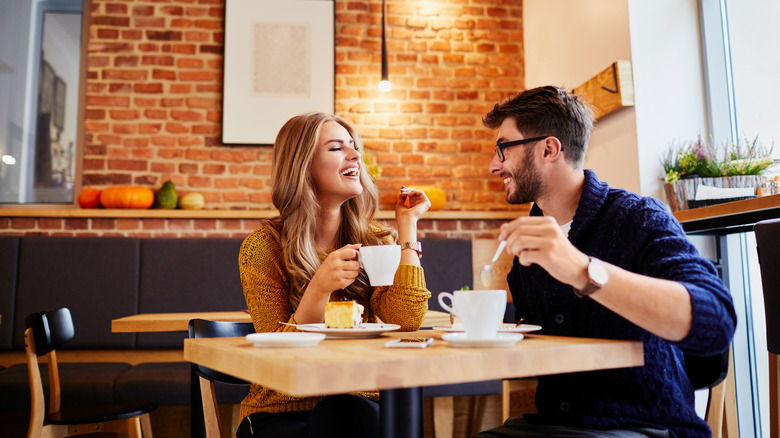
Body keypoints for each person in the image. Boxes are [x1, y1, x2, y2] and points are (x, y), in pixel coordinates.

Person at [476, 86, 736, 438]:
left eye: (503, 148)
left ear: (548, 149)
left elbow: (717, 321)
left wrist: (583, 271)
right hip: (557, 427)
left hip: (646, 426)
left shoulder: (637, 218)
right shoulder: (529, 246)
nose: (494, 165)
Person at [236, 112, 432, 438]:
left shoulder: (376, 241)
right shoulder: (263, 248)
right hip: (283, 409)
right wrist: (320, 287)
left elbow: (406, 319)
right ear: (302, 165)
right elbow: (278, 359)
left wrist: (408, 227)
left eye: (354, 147)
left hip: (360, 400)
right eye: (336, 148)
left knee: (351, 410)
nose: (355, 155)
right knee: (346, 413)